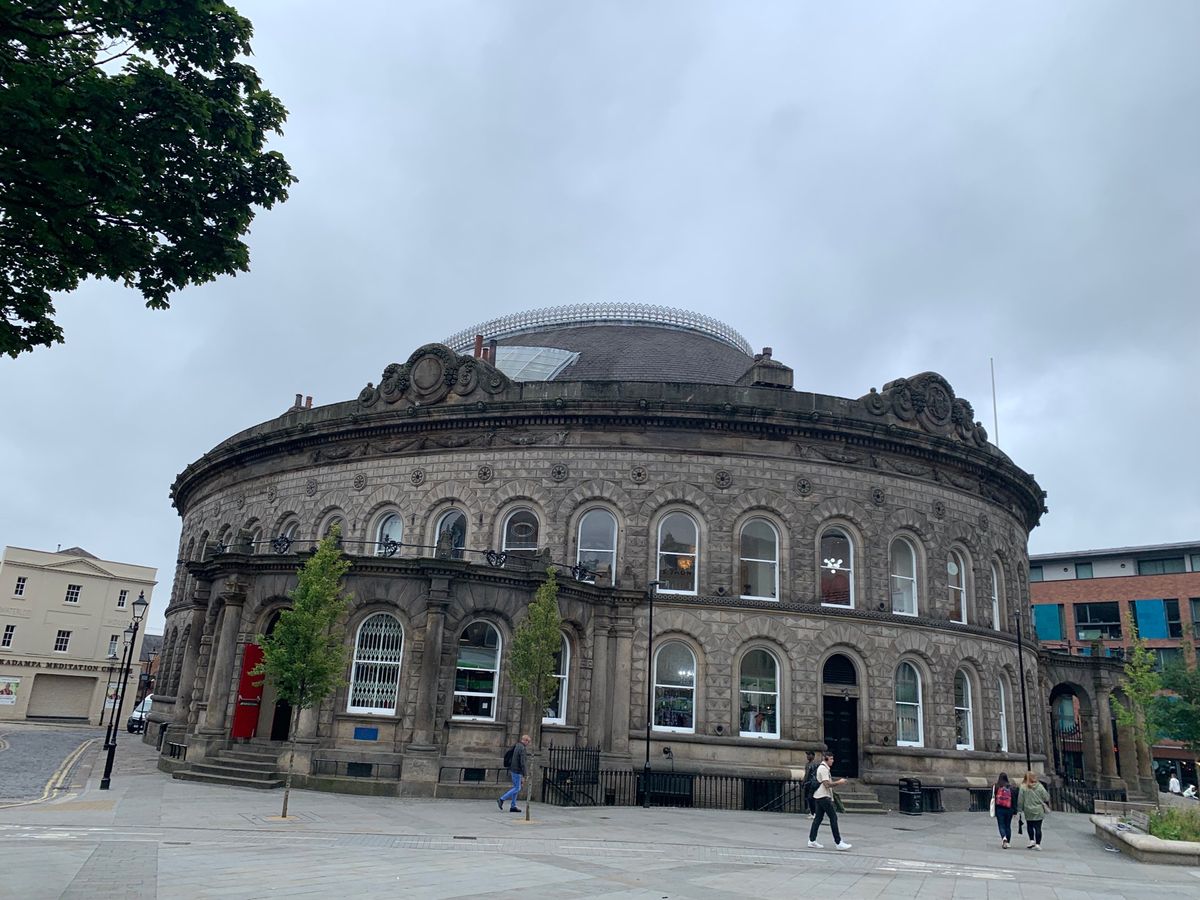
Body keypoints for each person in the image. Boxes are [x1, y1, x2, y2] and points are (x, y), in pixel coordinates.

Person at [807, 751, 852, 851]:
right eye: (831, 759)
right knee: (833, 817)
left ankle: (812, 840)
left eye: (832, 758)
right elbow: (827, 784)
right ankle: (838, 842)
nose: (832, 761)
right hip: (823, 797)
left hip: (819, 796)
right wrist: (839, 782)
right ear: (826, 759)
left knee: (818, 819)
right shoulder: (823, 769)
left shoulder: (824, 768)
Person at [1017, 771, 1050, 850]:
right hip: (1038, 810)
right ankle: (1038, 844)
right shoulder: (1040, 786)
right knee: (1038, 827)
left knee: (1030, 825)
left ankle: (1032, 840)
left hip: (1028, 809)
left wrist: (1019, 809)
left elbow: (1020, 800)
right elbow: (1046, 797)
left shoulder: (1023, 787)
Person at [498, 734, 530, 813]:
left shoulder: (517, 745)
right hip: (517, 770)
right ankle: (502, 799)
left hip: (513, 769)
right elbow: (523, 762)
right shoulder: (522, 748)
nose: (528, 743)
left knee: (516, 787)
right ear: (525, 740)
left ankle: (513, 806)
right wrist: (525, 774)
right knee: (517, 788)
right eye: (528, 742)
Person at [992, 772, 1019, 849]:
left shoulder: (996, 786)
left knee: (1001, 825)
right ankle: (1008, 842)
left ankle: (1004, 838)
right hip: (1009, 809)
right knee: (1008, 825)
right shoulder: (1011, 787)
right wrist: (1015, 811)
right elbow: (1014, 800)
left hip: (999, 808)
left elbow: (992, 797)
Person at [802, 751, 820, 818]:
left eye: (809, 755)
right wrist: (803, 781)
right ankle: (811, 812)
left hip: (812, 783)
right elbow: (806, 774)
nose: (807, 756)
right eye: (807, 755)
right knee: (808, 798)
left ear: (813, 756)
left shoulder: (815, 764)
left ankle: (814, 812)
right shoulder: (807, 764)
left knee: (812, 798)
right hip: (807, 783)